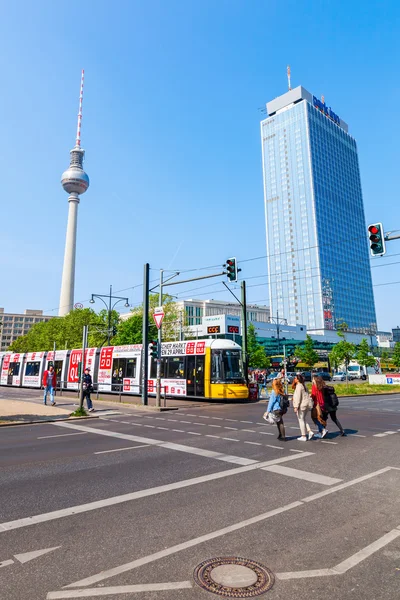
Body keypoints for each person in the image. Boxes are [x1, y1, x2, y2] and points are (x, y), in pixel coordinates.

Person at [292, 373, 314, 441]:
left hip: (302, 405)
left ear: (298, 380)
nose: (294, 379)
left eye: (295, 378)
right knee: (303, 419)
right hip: (306, 404)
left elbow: (298, 397)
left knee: (301, 420)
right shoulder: (304, 385)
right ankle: (309, 431)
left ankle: (303, 436)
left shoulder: (299, 386)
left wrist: (296, 407)